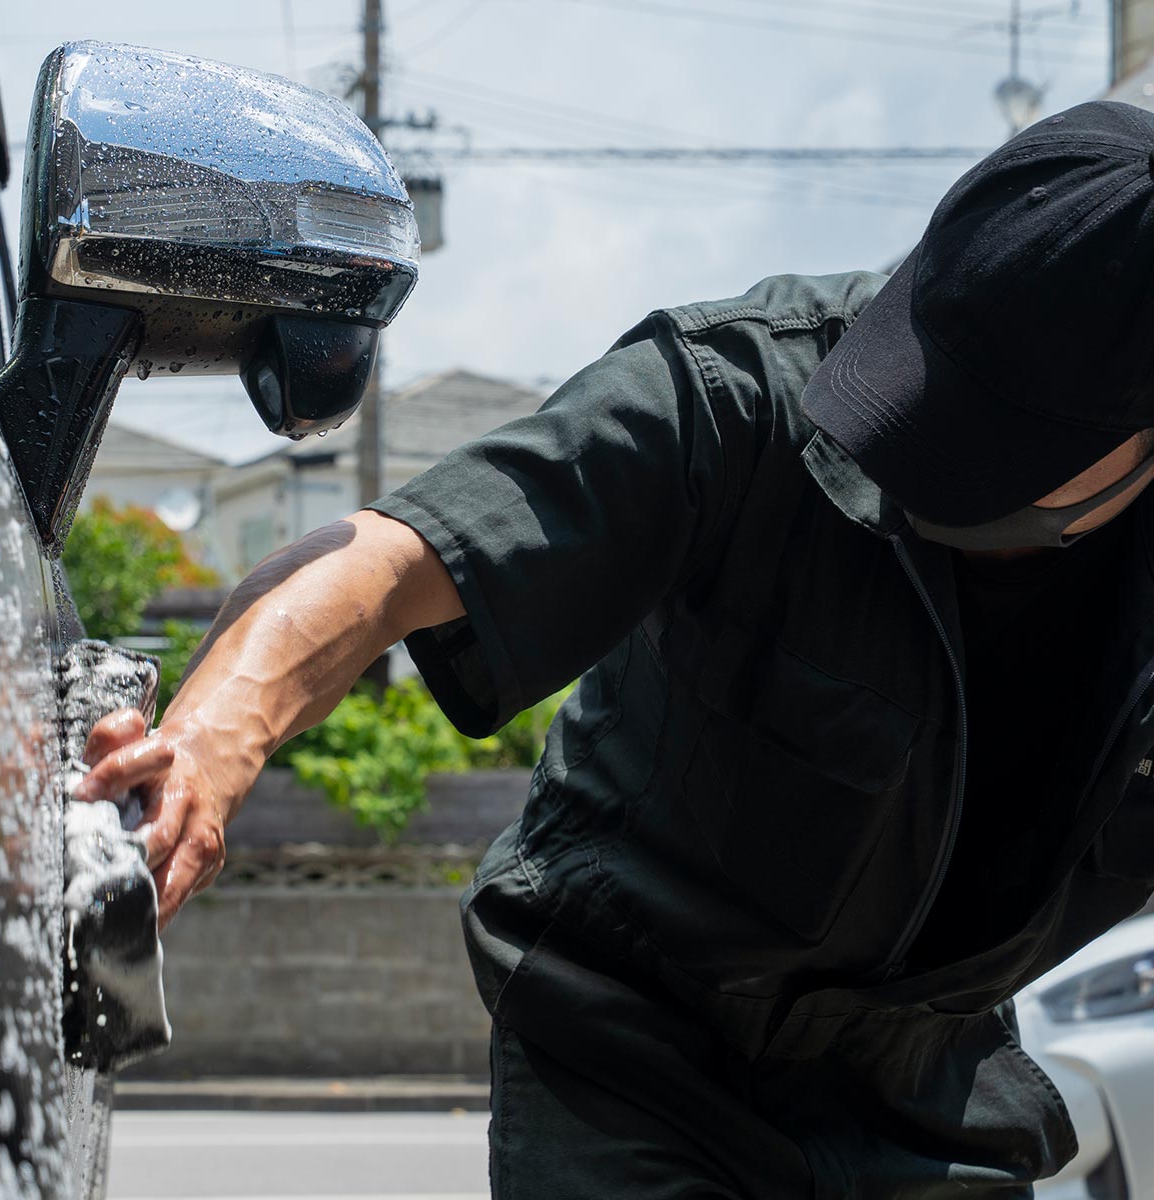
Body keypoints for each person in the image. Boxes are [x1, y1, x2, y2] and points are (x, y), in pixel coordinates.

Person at [77, 99, 1154, 1197]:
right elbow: (378, 567)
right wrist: (212, 742)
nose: (911, 439)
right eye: (918, 379)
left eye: (973, 435)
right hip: (633, 1054)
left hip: (928, 1096)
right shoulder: (737, 399)